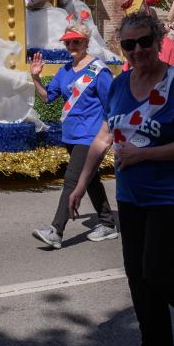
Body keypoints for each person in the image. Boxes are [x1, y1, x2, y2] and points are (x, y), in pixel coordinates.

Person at [69, 9, 174, 346]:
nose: (136, 50)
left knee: (161, 275)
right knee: (138, 278)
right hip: (132, 198)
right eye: (128, 44)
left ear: (157, 42)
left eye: (143, 42)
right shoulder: (121, 85)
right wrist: (79, 184)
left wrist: (143, 154)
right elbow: (105, 136)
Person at [29, 23, 117, 249]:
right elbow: (47, 98)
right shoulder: (65, 70)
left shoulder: (100, 71)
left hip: (91, 136)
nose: (71, 46)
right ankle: (107, 222)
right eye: (68, 42)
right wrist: (36, 78)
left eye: (76, 42)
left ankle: (56, 230)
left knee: (72, 180)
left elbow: (112, 106)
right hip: (70, 134)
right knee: (90, 180)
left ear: (86, 43)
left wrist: (109, 137)